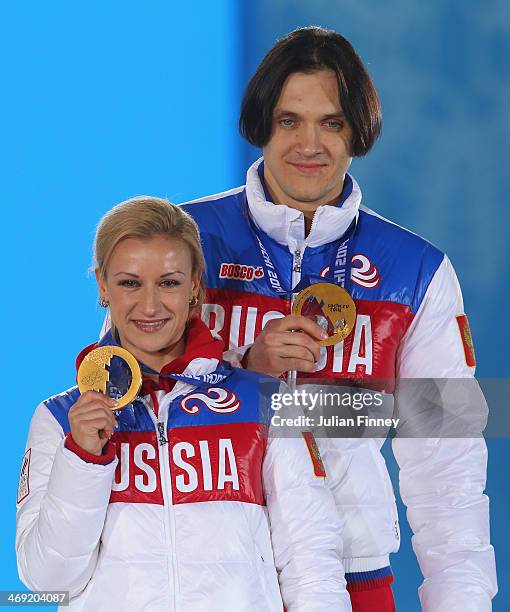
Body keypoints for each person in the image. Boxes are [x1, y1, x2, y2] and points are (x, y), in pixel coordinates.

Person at [181, 27, 497, 611]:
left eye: (331, 122)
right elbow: (126, 402)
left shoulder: (415, 271)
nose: (310, 143)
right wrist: (245, 368)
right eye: (288, 121)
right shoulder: (185, 242)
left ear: (358, 129)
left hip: (354, 576)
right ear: (262, 125)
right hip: (209, 573)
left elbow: (447, 461)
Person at [16, 196, 352, 611]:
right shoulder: (59, 419)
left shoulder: (263, 400)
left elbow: (311, 559)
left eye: (169, 282)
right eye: (129, 282)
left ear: (195, 285)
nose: (151, 305)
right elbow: (47, 579)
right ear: (103, 285)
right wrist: (83, 458)